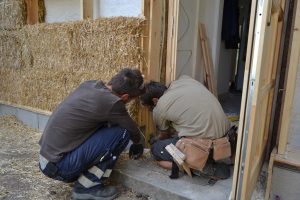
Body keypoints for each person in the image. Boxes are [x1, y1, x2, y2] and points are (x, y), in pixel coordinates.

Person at [39, 68, 145, 200]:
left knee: (108, 126)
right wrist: (139, 142)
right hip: (60, 167)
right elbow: (131, 128)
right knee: (122, 132)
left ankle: (84, 178)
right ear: (125, 97)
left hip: (47, 160)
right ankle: (87, 187)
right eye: (131, 100)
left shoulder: (90, 85)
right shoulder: (112, 103)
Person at [140, 75, 232, 179]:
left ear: (155, 100)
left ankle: (198, 166)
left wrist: (155, 140)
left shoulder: (160, 107)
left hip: (205, 145)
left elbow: (164, 135)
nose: (150, 110)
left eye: (149, 108)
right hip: (226, 137)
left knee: (156, 149)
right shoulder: (185, 80)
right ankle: (210, 157)